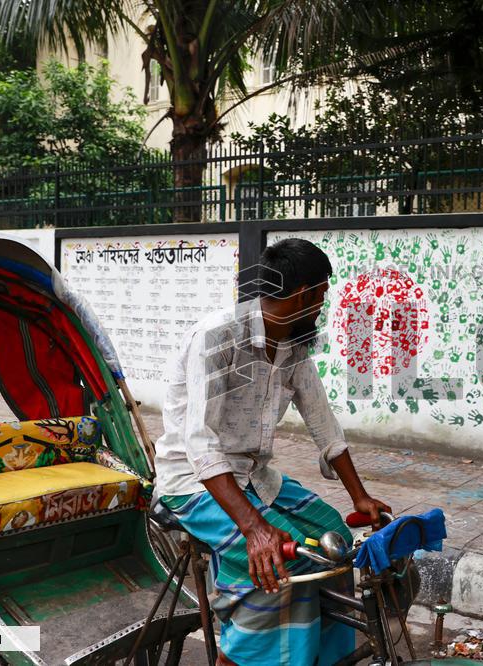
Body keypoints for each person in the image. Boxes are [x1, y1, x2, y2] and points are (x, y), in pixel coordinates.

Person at [154, 238, 390, 666]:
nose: (323, 305)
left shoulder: (292, 345)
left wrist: (360, 496)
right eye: (322, 294)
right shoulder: (217, 337)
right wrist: (254, 528)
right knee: (291, 560)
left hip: (256, 477)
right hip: (193, 482)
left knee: (333, 536)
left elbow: (323, 422)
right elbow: (200, 443)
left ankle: (325, 657)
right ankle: (237, 660)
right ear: (303, 294)